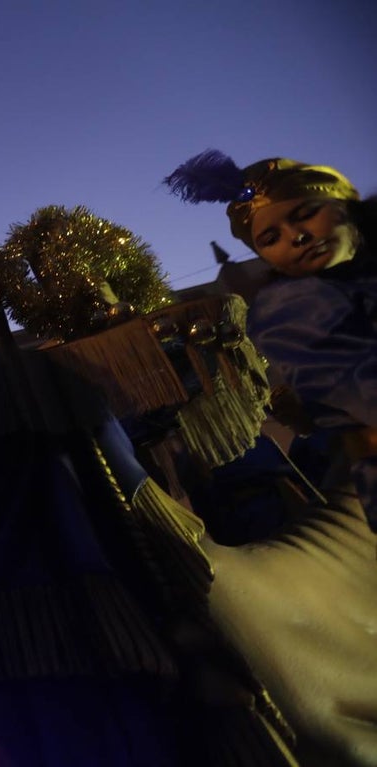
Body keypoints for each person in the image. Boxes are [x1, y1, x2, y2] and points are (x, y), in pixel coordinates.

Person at [164, 151, 377, 533]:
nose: (296, 238)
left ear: (341, 201)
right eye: (270, 238)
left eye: (304, 214)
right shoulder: (291, 312)